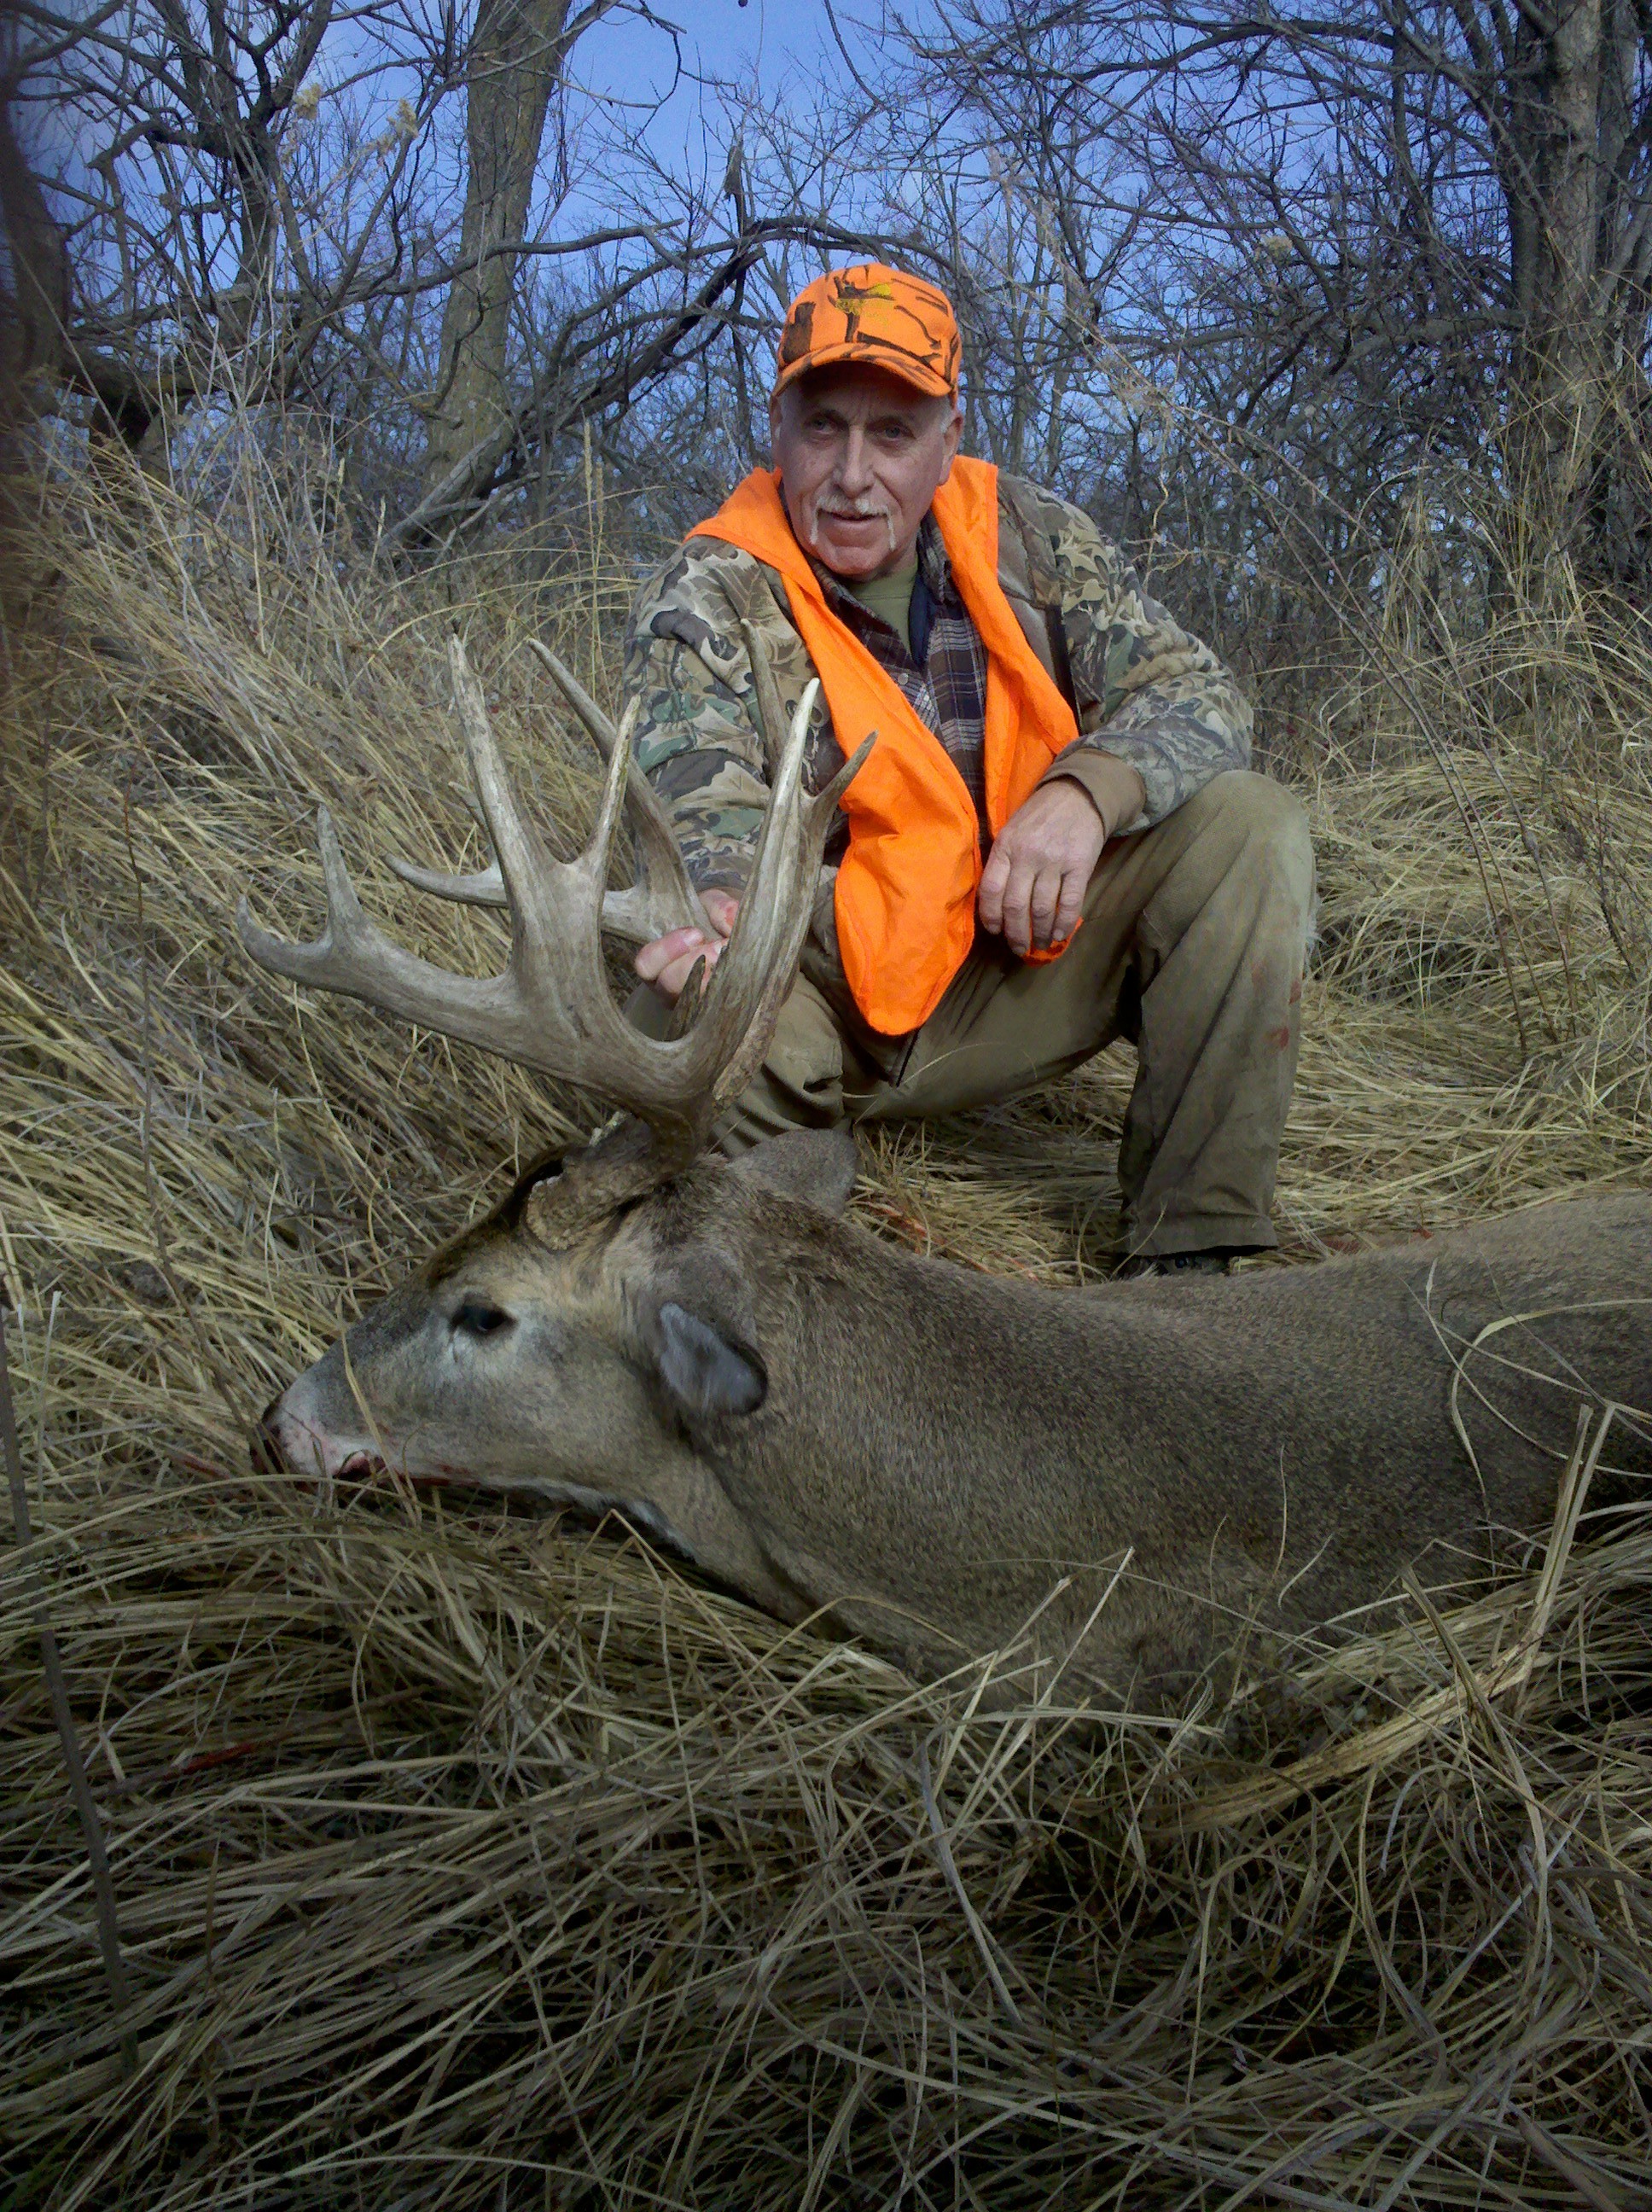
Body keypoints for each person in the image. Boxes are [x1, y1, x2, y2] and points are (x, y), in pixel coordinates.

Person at [620, 264, 1314, 1272]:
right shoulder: (710, 594)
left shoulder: (1027, 541)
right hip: (822, 993)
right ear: (778, 431)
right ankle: (795, 1236)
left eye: (893, 434)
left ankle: (1192, 1253)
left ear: (948, 441)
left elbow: (1198, 693)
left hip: (1011, 956)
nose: (853, 474)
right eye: (825, 428)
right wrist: (718, 917)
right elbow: (701, 804)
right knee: (699, 1018)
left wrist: (1086, 792)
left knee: (1250, 827)